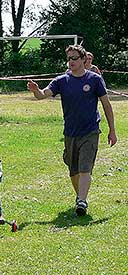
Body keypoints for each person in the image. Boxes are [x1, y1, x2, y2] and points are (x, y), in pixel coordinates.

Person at [27, 44, 117, 216]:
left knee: (85, 167)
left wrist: (112, 130)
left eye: (75, 58)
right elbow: (42, 95)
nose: (71, 62)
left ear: (83, 60)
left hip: (90, 131)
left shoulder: (94, 79)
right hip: (70, 133)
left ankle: (82, 201)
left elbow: (106, 104)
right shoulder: (61, 80)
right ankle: (80, 197)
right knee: (73, 170)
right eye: (69, 58)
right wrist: (35, 90)